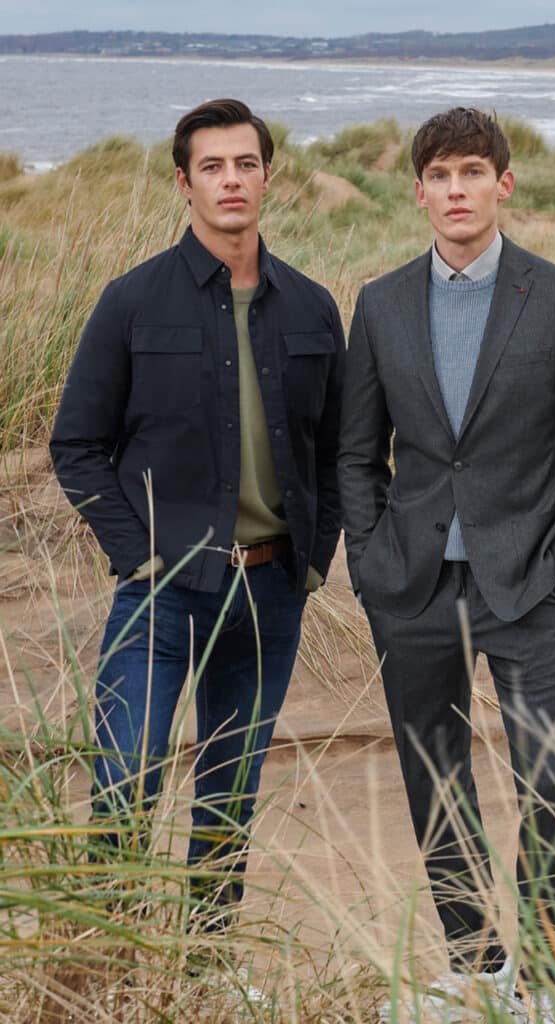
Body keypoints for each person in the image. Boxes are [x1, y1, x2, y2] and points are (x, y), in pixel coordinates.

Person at [338, 107, 555, 1023]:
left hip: (530, 591)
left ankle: (542, 982)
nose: (456, 190)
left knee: (546, 783)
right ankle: (475, 968)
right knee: (436, 781)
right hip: (414, 588)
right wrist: (372, 563)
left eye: (472, 172)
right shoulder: (381, 303)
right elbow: (356, 454)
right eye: (439, 175)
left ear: (502, 183)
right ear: (418, 191)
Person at [50, 98, 345, 926]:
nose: (230, 180)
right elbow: (76, 444)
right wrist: (137, 555)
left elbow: (338, 450)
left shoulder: (312, 307)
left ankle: (207, 964)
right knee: (126, 778)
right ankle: (109, 957)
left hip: (272, 591)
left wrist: (313, 558)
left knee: (229, 792)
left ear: (267, 177)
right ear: (184, 183)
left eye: (245, 164)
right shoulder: (131, 300)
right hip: (163, 590)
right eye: (211, 166)